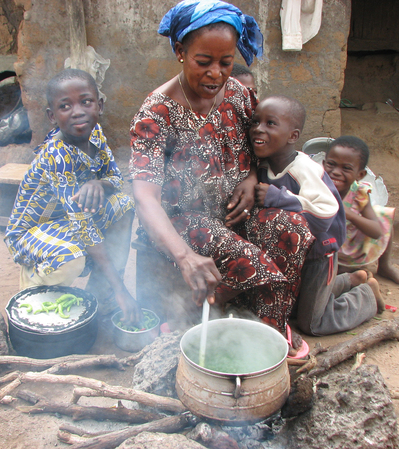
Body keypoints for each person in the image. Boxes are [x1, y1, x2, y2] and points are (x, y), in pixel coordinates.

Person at [129, 0, 313, 352]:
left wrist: (249, 175)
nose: (216, 73)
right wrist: (184, 257)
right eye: (204, 62)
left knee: (294, 231)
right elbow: (145, 198)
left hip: (233, 213)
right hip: (183, 224)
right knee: (256, 263)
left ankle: (267, 330)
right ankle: (261, 332)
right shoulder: (155, 114)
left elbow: (258, 144)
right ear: (181, 52)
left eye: (225, 63)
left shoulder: (239, 95)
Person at [5, 69, 141, 324]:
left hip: (66, 220)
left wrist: (97, 183)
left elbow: (115, 179)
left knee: (124, 204)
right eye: (65, 106)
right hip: (31, 232)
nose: (77, 111)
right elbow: (83, 227)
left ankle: (103, 294)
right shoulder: (57, 155)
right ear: (52, 116)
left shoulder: (95, 134)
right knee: (72, 258)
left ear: (99, 106)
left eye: (85, 101)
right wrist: (123, 288)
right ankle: (33, 291)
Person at [251, 95, 384, 336]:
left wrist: (279, 198)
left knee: (312, 323)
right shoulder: (264, 164)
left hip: (319, 254)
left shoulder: (304, 169)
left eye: (270, 123)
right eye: (255, 122)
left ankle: (366, 297)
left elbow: (325, 215)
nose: (258, 129)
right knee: (296, 304)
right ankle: (349, 281)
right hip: (294, 252)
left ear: (293, 136)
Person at [323, 136, 399, 287]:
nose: (336, 172)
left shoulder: (359, 193)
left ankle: (384, 267)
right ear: (323, 164)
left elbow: (377, 231)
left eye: (346, 168)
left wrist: (348, 213)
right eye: (331, 164)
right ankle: (354, 276)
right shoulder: (317, 187)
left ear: (360, 175)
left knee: (383, 216)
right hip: (326, 249)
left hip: (351, 246)